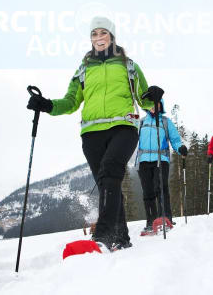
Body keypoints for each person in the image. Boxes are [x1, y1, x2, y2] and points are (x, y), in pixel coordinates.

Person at [26, 16, 164, 250]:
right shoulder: (83, 69)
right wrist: (47, 105)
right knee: (107, 184)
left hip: (124, 127)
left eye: (103, 33)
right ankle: (121, 239)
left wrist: (153, 97)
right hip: (91, 133)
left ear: (112, 36)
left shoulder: (129, 65)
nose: (98, 38)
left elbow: (145, 101)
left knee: (110, 171)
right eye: (94, 34)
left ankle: (103, 235)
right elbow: (70, 102)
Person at [137, 99, 187, 234]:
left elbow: (175, 139)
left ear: (161, 106)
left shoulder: (165, 122)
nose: (154, 106)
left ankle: (165, 218)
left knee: (161, 188)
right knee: (147, 192)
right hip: (143, 161)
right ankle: (151, 221)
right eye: (152, 104)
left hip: (161, 159)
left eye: (157, 104)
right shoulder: (141, 122)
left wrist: (180, 148)